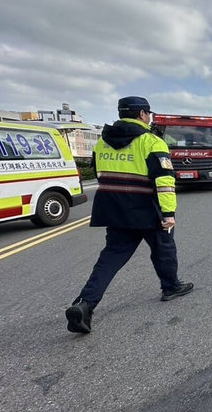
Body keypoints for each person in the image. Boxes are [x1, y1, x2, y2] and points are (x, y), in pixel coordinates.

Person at [66, 97, 193, 334]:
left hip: (114, 210)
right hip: (147, 208)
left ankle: (84, 304)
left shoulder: (103, 142)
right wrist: (168, 213)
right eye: (148, 114)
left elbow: (99, 173)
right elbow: (164, 181)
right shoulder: (151, 142)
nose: (150, 118)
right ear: (142, 114)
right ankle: (170, 287)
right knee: (164, 248)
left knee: (110, 258)